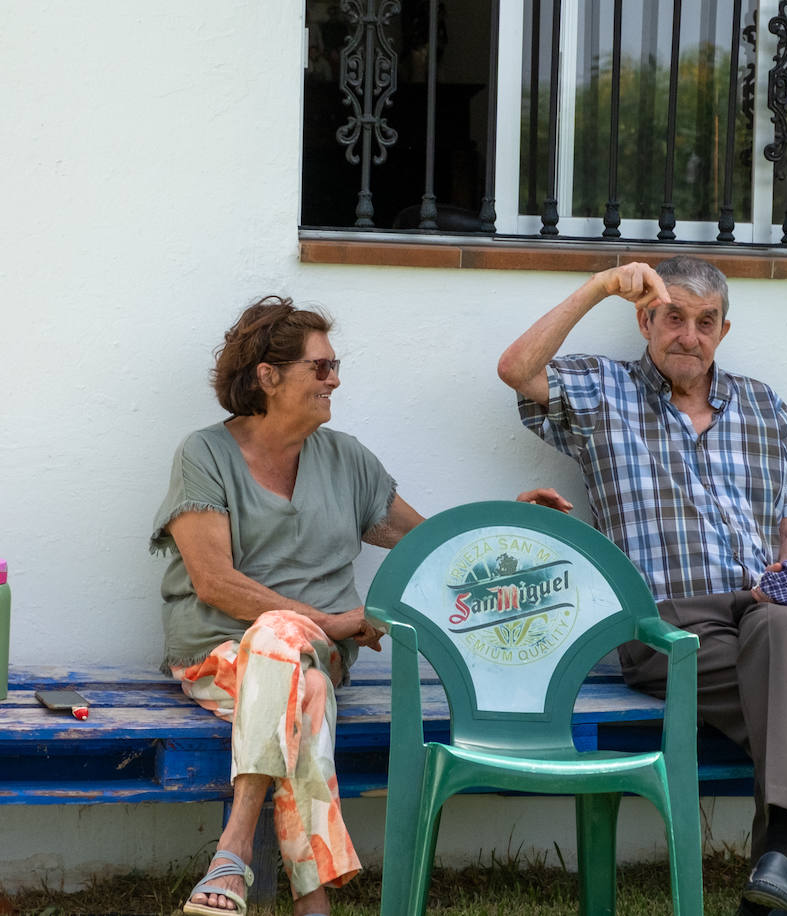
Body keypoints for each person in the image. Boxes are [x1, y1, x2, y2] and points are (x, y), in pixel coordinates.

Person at [152, 296, 566, 916]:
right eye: (320, 368)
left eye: (334, 366)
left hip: (317, 648)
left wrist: (507, 520)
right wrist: (328, 621)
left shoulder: (346, 459)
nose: (335, 380)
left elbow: (432, 545)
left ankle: (231, 857)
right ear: (269, 376)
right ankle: (310, 898)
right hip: (219, 656)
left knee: (287, 644)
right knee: (302, 682)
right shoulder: (204, 455)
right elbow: (214, 583)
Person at [497, 257, 787, 916]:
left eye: (705, 322)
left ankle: (777, 865)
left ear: (723, 329)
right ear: (646, 320)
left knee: (782, 629)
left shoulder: (764, 405)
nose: (689, 334)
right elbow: (516, 369)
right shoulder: (603, 391)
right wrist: (599, 285)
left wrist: (786, 577)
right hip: (665, 627)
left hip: (761, 610)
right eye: (674, 317)